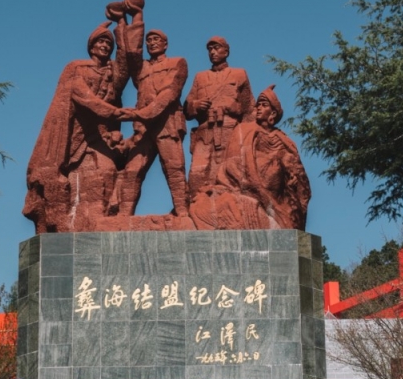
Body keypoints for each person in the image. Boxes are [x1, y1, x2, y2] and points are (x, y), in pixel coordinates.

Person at [23, 15, 132, 234]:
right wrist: (124, 114)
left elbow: (125, 61)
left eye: (108, 44)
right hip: (73, 139)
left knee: (108, 170)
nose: (104, 46)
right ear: (91, 46)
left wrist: (123, 25)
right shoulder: (77, 68)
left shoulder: (110, 72)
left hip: (97, 137)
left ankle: (101, 222)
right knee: (66, 184)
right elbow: (87, 100)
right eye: (100, 42)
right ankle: (61, 223)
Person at [193, 85, 310, 230]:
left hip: (274, 198)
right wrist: (250, 183)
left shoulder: (284, 142)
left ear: (273, 113)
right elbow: (231, 165)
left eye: (264, 105)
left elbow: (298, 177)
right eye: (258, 105)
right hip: (244, 189)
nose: (259, 108)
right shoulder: (243, 131)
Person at [115, 26, 189, 217]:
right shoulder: (143, 68)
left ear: (166, 44)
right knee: (132, 171)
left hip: (166, 124)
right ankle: (123, 217)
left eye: (156, 39)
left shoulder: (177, 63)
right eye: (149, 40)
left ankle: (183, 214)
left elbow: (169, 94)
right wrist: (130, 19)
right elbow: (132, 51)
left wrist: (139, 114)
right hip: (144, 128)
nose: (152, 43)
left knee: (174, 169)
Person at [184, 35, 254, 202]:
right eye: (210, 50)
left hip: (229, 130)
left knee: (226, 173)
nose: (213, 52)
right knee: (197, 173)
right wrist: (195, 105)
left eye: (216, 48)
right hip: (205, 131)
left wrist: (247, 139)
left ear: (226, 51)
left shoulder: (239, 74)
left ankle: (226, 207)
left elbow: (249, 109)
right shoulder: (200, 77)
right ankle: (196, 207)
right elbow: (186, 108)